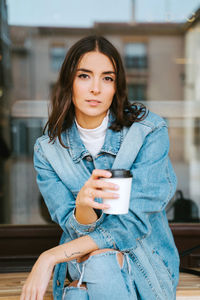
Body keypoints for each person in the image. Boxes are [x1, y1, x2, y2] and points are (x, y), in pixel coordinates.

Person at [20, 35, 179, 300]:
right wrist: (83, 206)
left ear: (117, 87)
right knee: (95, 267)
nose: (96, 88)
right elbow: (71, 225)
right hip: (82, 260)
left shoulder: (148, 133)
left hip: (145, 263)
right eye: (84, 76)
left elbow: (132, 225)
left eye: (107, 78)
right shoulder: (48, 151)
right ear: (68, 82)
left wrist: (49, 257)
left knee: (80, 291)